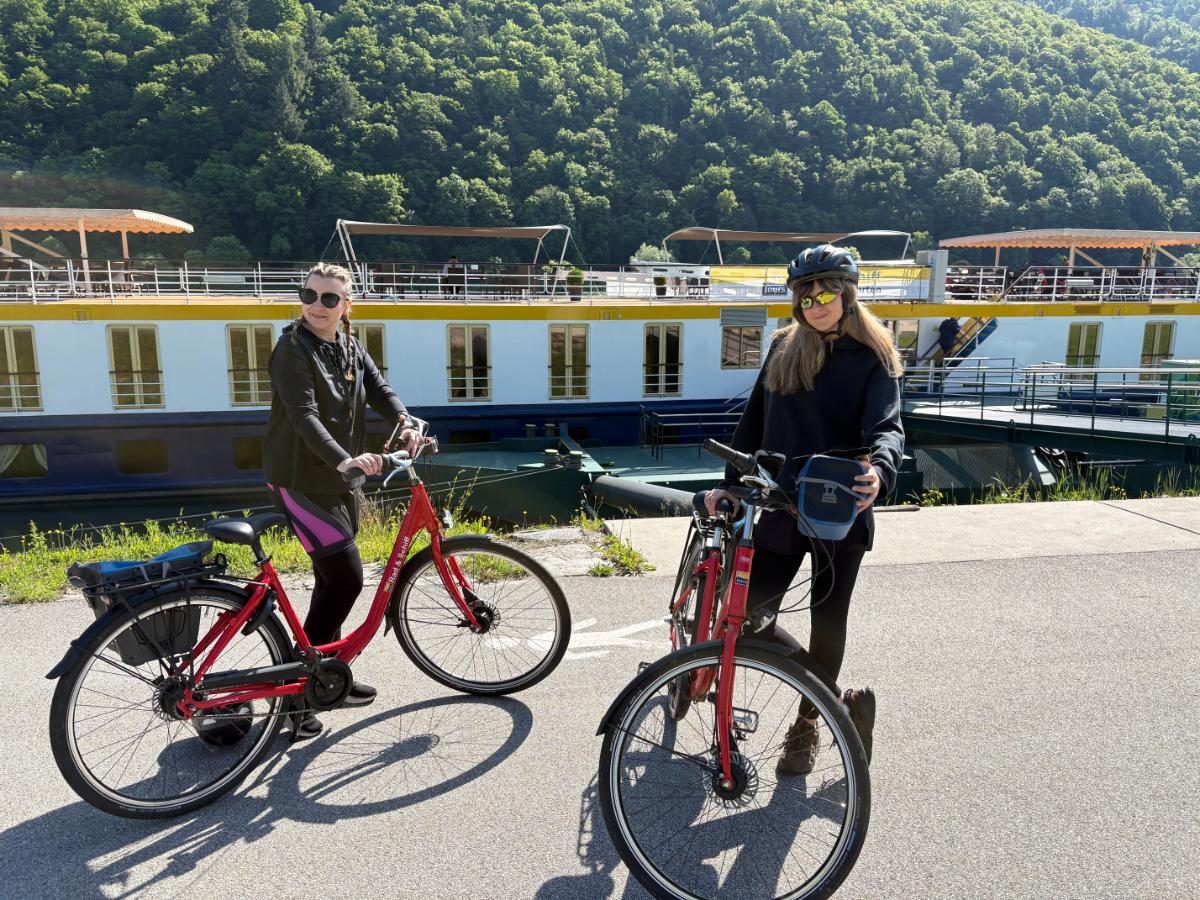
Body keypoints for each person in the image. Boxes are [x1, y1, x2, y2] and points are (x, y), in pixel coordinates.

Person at [703, 243, 904, 775]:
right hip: (778, 504)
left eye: (826, 293)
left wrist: (880, 471)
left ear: (847, 294)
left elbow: (888, 427)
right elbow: (752, 422)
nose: (815, 304)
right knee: (750, 618)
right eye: (805, 296)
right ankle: (842, 706)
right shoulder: (782, 347)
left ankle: (807, 725)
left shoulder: (874, 356)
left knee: (827, 622)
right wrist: (730, 486)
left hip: (841, 505)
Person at [263, 262, 420, 740]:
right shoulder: (292, 350)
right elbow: (304, 416)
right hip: (300, 481)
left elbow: (380, 390)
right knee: (347, 578)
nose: (316, 305)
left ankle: (325, 676)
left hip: (337, 480)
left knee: (330, 581)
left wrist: (406, 422)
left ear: (346, 306)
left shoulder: (349, 345)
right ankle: (296, 694)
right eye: (309, 294)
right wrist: (344, 460)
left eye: (329, 298)